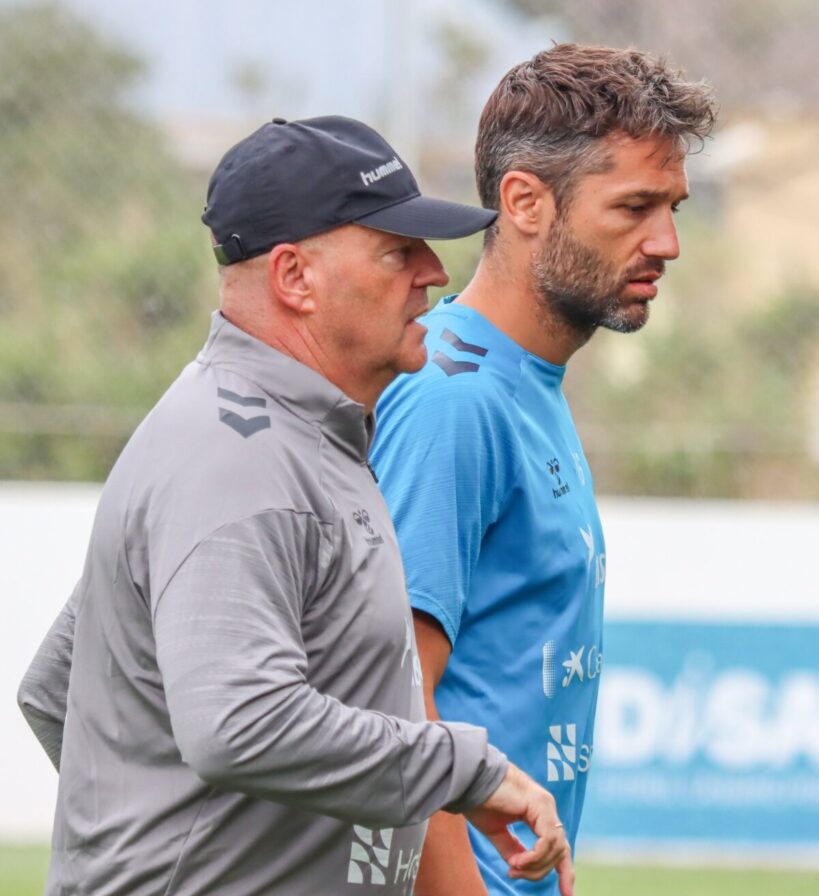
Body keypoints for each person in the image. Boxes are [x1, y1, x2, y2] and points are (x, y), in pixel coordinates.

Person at [17, 116, 574, 896]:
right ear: (294, 279)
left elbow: (58, 688)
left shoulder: (274, 432)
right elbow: (237, 722)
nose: (431, 272)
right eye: (395, 250)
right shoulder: (238, 457)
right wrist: (463, 770)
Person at [371, 45, 717, 895]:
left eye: (671, 206)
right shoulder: (455, 403)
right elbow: (394, 704)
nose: (665, 242)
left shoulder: (523, 379)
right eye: (633, 207)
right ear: (524, 202)